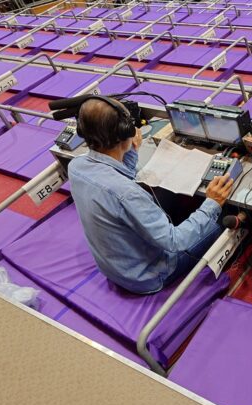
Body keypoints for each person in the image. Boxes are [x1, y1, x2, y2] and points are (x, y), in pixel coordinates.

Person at [68, 97, 233, 294]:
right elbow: (174, 241)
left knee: (167, 196)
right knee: (224, 216)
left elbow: (116, 176)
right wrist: (212, 203)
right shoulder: (127, 194)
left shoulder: (76, 166)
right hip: (150, 276)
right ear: (126, 131)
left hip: (116, 268)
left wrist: (130, 151)